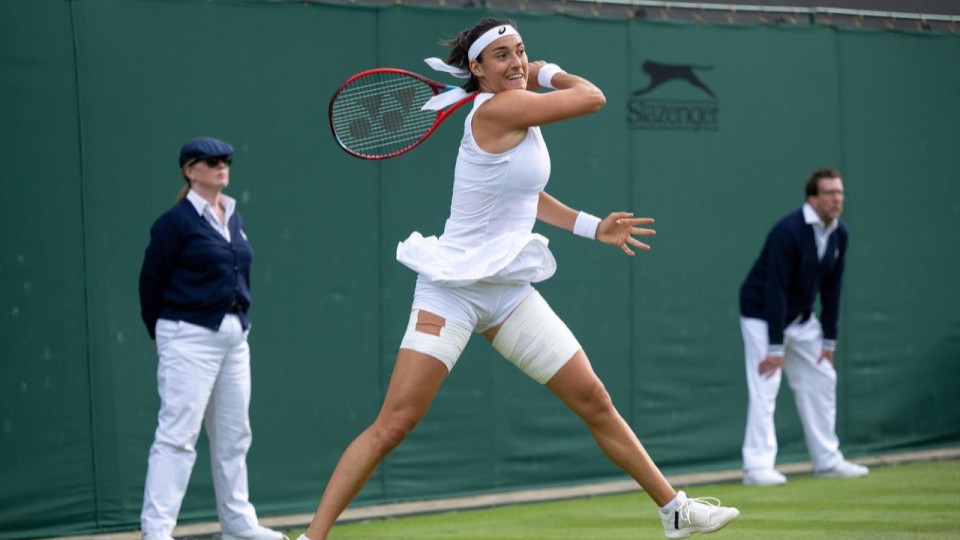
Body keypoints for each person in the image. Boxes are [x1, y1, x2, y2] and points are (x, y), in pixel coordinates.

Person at [298, 19, 738, 540]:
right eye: (502, 56)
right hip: (453, 290)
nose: (516, 63)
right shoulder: (502, 108)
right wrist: (546, 70)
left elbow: (524, 194)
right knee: (395, 423)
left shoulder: (513, 115)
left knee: (593, 397)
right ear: (477, 70)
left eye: (522, 52)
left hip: (506, 291)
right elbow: (592, 96)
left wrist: (592, 227)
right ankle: (311, 538)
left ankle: (674, 510)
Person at [138, 137, 284, 540]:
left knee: (235, 436)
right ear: (190, 170)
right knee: (177, 437)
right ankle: (156, 532)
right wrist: (161, 332)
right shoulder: (175, 223)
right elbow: (150, 283)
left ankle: (237, 525)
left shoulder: (232, 214)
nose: (222, 166)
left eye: (226, 160)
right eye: (212, 161)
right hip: (188, 338)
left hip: (235, 340)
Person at [739, 167, 869, 486]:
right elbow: (775, 289)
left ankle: (827, 460)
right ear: (813, 198)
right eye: (831, 193)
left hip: (801, 318)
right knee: (766, 384)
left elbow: (832, 289)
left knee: (822, 378)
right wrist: (774, 347)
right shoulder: (789, 231)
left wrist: (829, 340)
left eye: (841, 193)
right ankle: (757, 467)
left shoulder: (840, 234)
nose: (838, 199)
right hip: (762, 314)